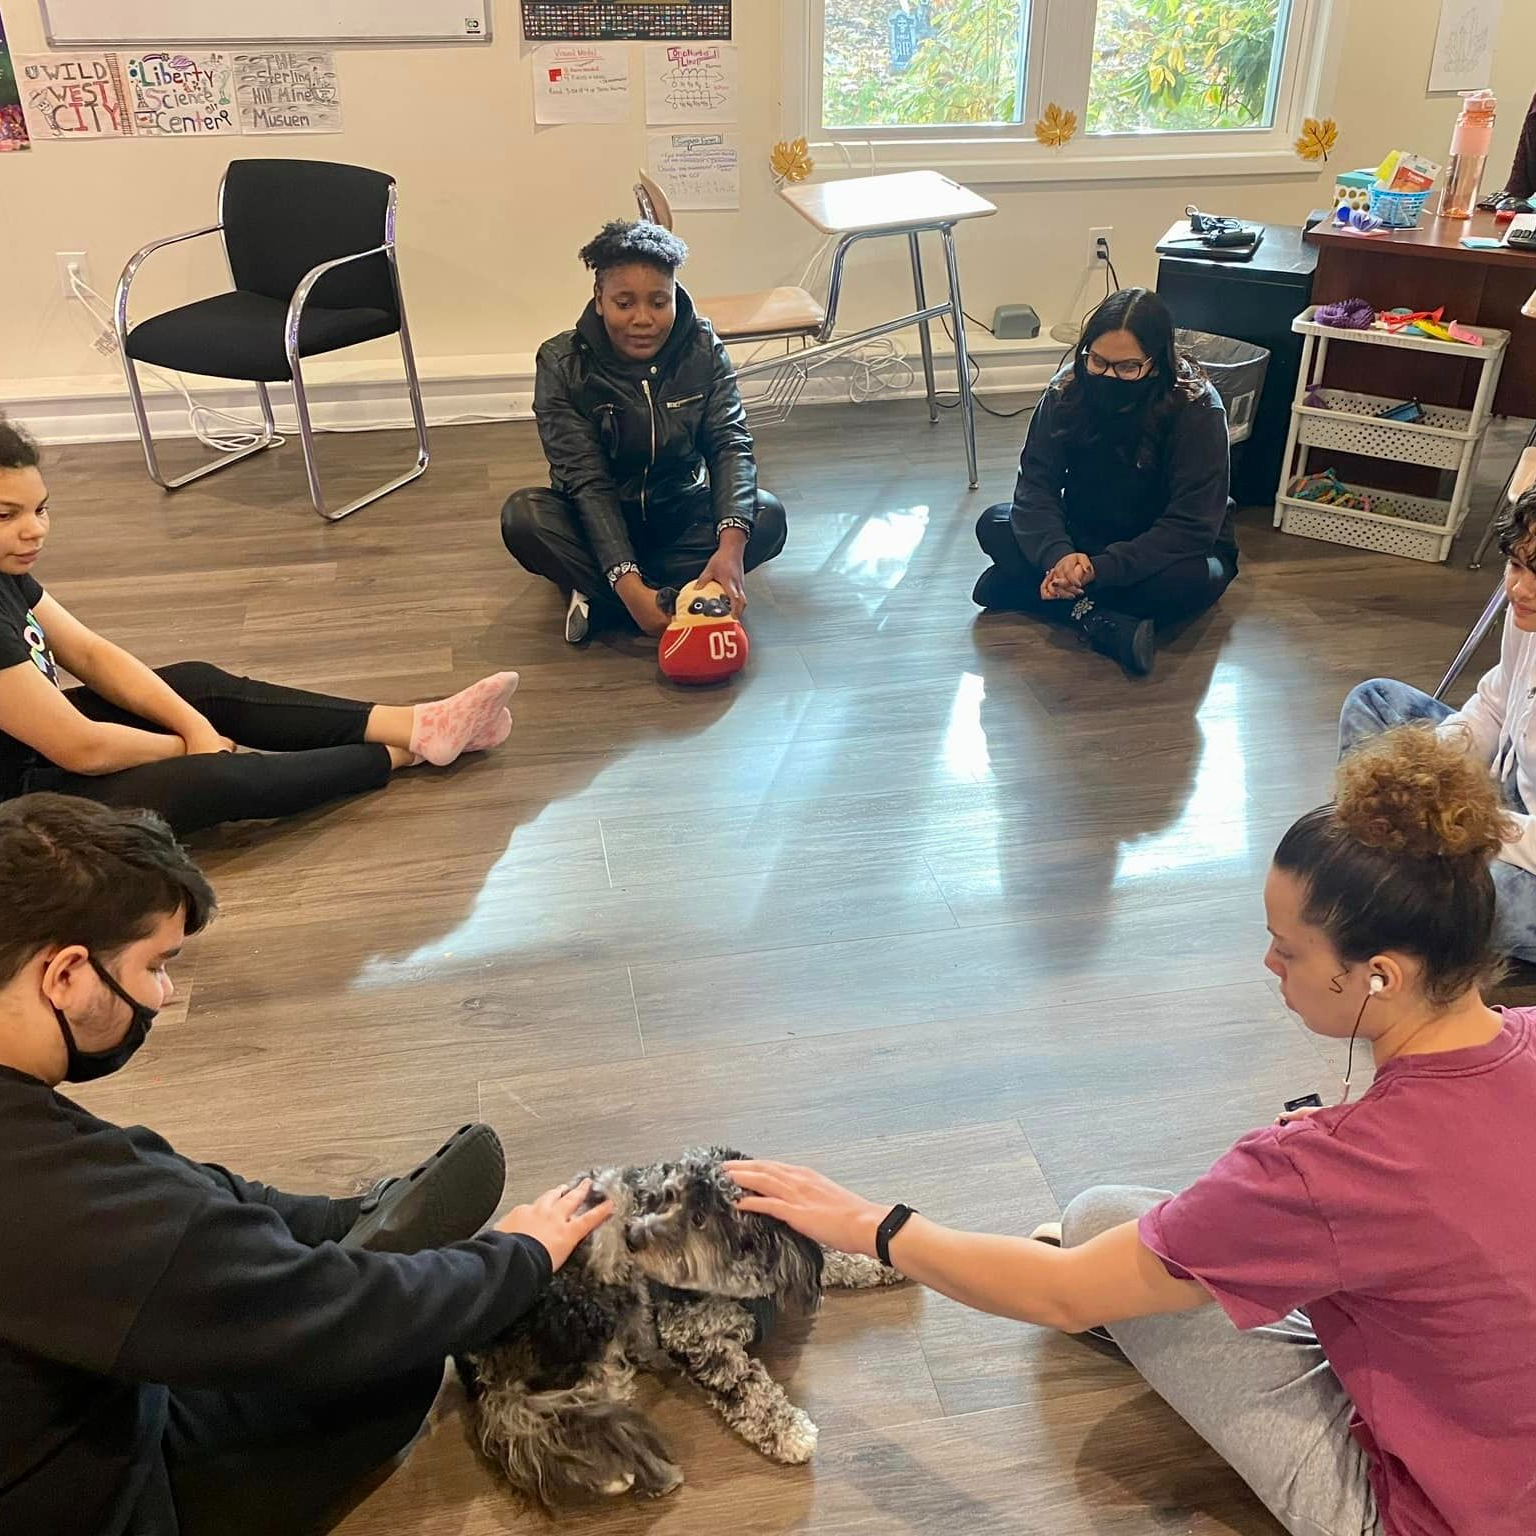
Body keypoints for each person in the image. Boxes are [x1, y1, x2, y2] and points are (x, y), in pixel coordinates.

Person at [728, 725, 1536, 1536]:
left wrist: (871, 1225)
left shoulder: (1320, 1168)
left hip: (1440, 1516)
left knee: (1096, 1227)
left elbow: (1059, 1291)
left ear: (1379, 975)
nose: (1268, 967)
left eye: (1286, 949)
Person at [0, 792, 612, 1536]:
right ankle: (365, 1243)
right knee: (391, 1365)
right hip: (107, 1495)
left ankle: (349, 1226)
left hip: (73, 1388)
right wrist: (519, 1258)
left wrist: (324, 1222)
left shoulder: (47, 1153)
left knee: (203, 1216)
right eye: (156, 967)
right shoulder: (55, 1203)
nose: (163, 994)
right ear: (64, 974)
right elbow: (321, 1314)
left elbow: (147, 1184)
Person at [0, 416, 519, 837]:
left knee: (196, 684)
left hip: (39, 750)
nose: (35, 530)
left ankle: (421, 724)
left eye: (41, 509)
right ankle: (403, 753)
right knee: (215, 780)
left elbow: (89, 654)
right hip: (19, 808)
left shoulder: (8, 571)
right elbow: (81, 748)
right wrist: (188, 748)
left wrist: (195, 726)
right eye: (8, 516)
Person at [499, 220, 786, 644]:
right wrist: (625, 574)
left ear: (674, 297)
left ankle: (603, 597)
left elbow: (730, 445)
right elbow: (586, 481)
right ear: (599, 300)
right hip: (598, 522)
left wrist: (730, 547)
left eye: (658, 302)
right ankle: (671, 596)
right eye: (624, 303)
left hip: (679, 512)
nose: (643, 319)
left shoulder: (703, 349)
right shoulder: (561, 363)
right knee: (523, 518)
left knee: (766, 516)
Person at [973, 288, 1238, 676]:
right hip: (1085, 536)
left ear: (1158, 362)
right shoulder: (1067, 389)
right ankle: (1098, 620)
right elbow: (1036, 486)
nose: (1109, 375)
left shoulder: (1198, 408)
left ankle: (1029, 592)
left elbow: (1192, 526)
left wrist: (1101, 568)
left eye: (1128, 367)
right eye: (1098, 361)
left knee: (1187, 583)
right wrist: (1059, 557)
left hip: (1168, 552)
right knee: (994, 523)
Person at [1339, 485, 1536, 961]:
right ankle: (1402, 870)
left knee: (1482, 898)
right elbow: (1494, 702)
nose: (1518, 589)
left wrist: (1468, 823)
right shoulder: (1525, 612)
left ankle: (1390, 869)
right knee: (1375, 699)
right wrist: (1433, 769)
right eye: (1516, 565)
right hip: (1510, 798)